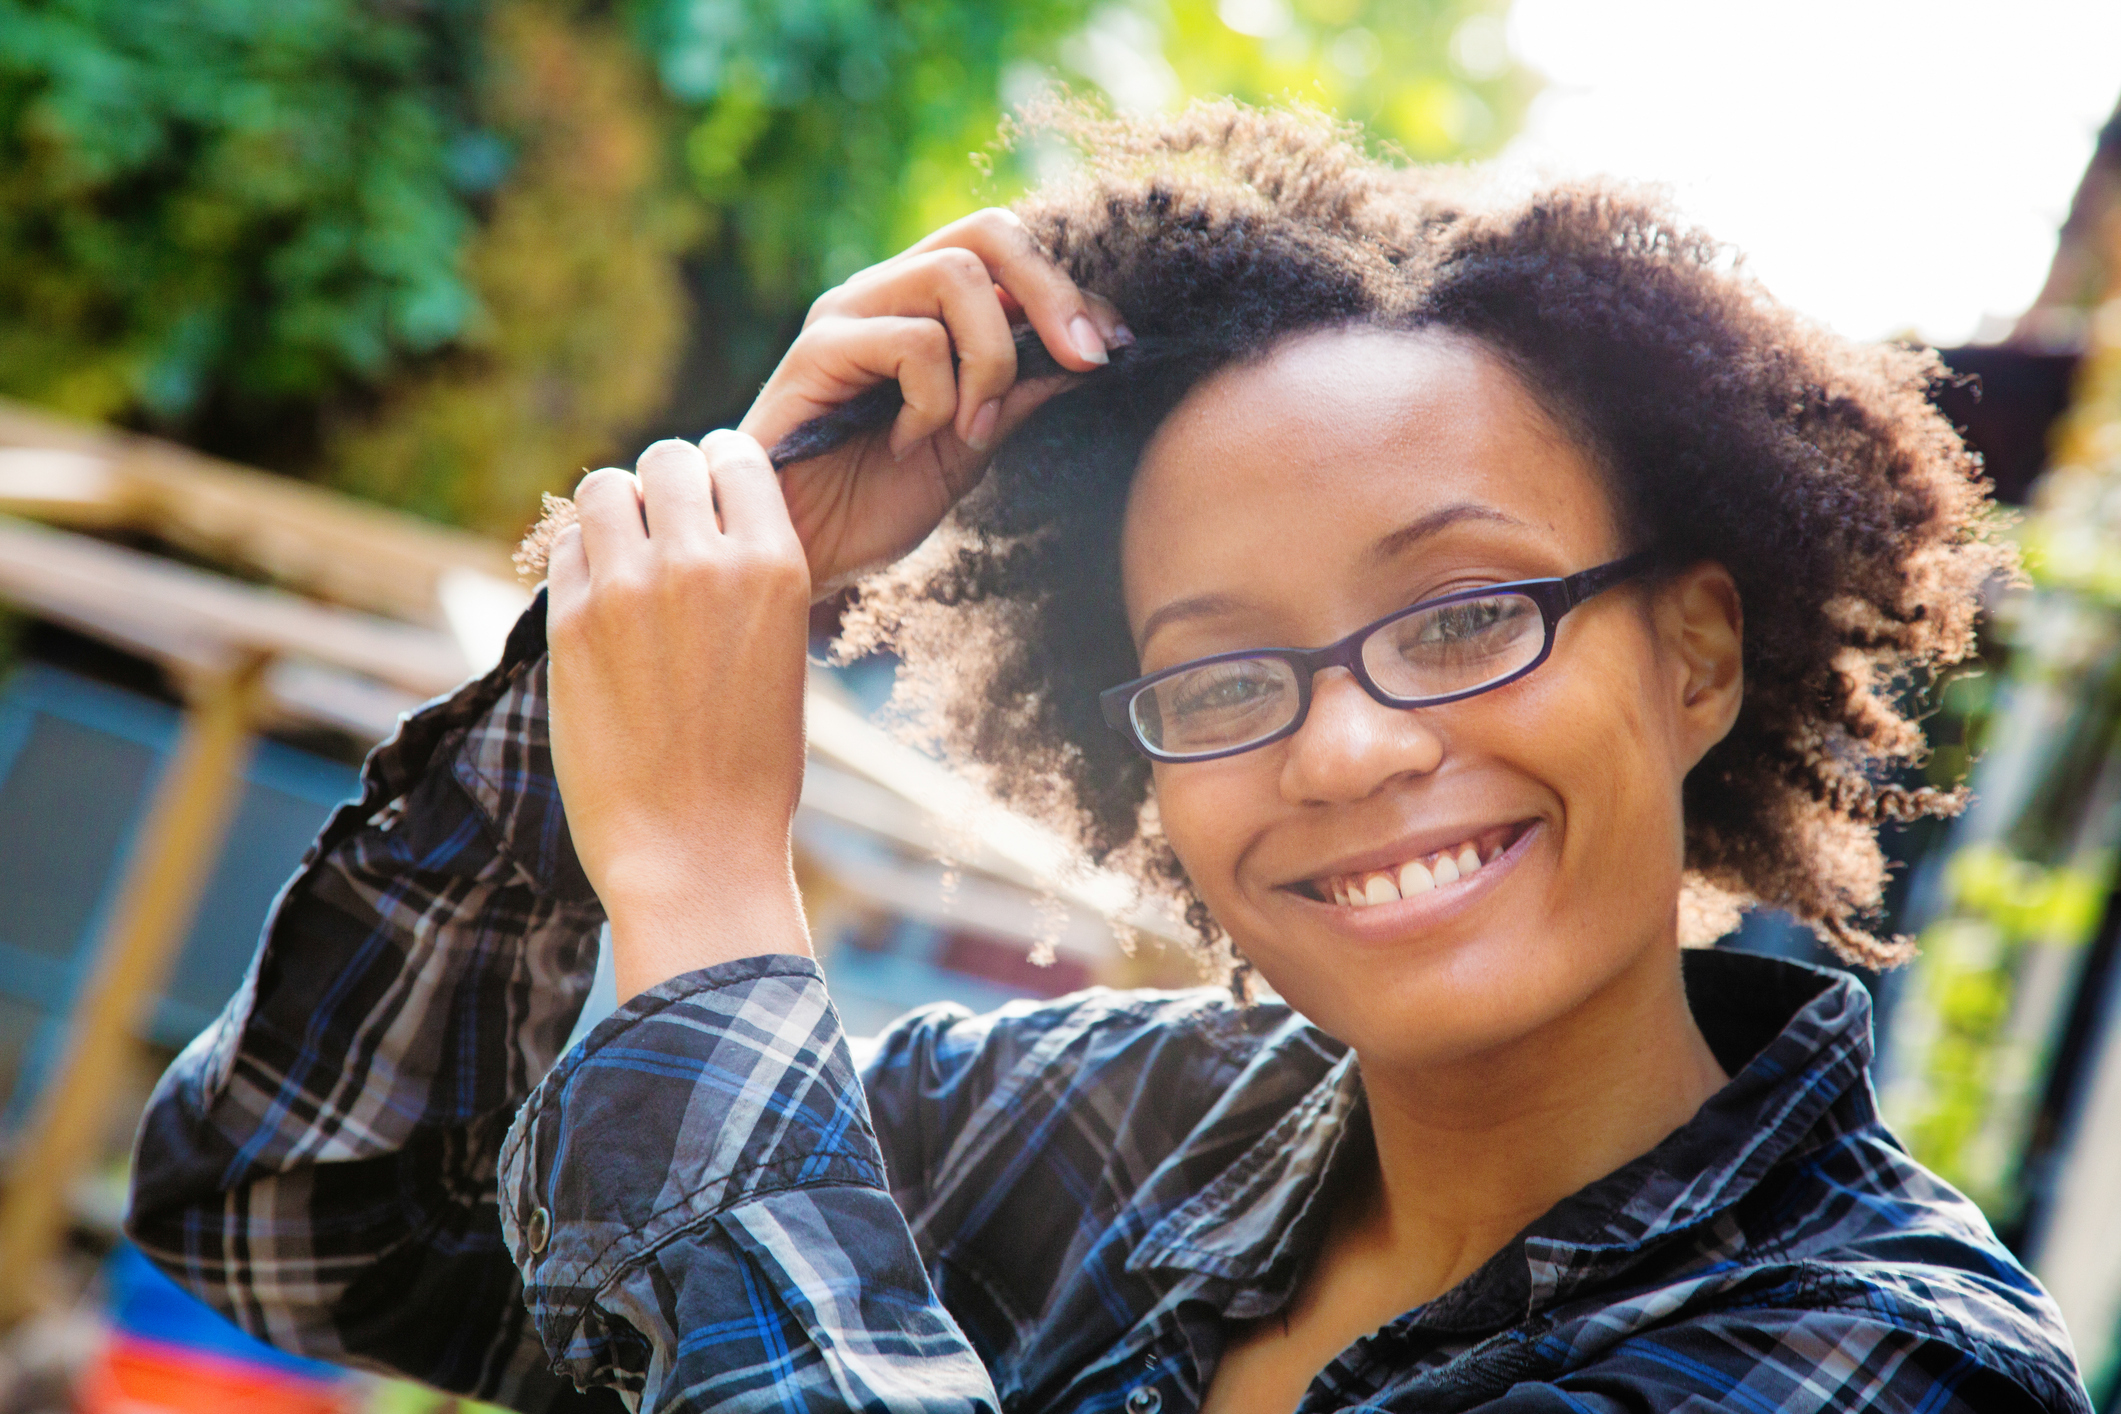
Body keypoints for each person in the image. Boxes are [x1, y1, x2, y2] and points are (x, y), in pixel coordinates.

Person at [129, 102, 2092, 1413]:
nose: (1339, 740)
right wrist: (718, 575)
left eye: (1461, 614)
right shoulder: (1092, 1127)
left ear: (1691, 652)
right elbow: (307, 1204)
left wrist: (718, 898)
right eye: (1217, 670)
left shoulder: (1882, 1360)